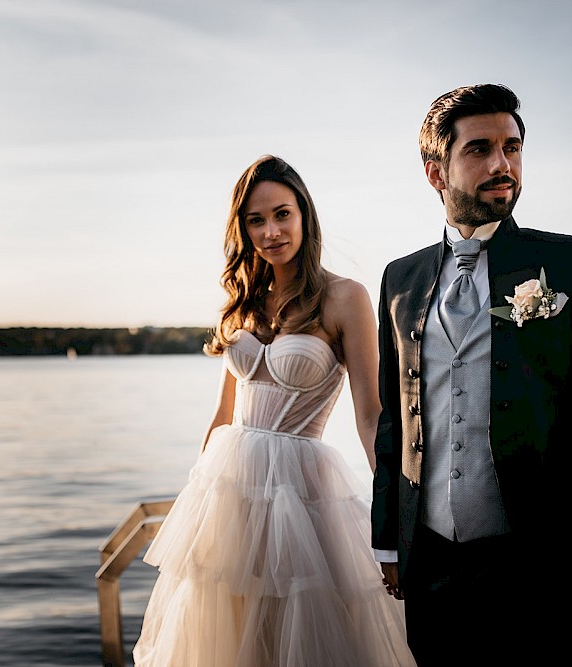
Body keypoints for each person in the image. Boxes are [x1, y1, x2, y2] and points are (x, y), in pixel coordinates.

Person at [371, 84, 572, 664]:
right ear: (435, 172)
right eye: (480, 149)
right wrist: (387, 541)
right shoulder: (400, 279)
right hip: (429, 562)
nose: (503, 164)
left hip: (539, 565)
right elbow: (394, 423)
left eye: (513, 147)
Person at [133, 155, 416, 667]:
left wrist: (394, 514)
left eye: (282, 214)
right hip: (229, 492)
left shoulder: (344, 297)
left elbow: (371, 417)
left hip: (301, 496)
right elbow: (223, 417)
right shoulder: (242, 299)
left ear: (305, 214)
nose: (271, 232)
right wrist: (198, 501)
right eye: (255, 220)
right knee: (227, 636)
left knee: (301, 635)